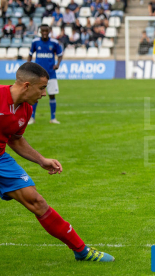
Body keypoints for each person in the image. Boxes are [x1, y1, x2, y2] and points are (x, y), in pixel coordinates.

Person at [0, 62, 115, 262]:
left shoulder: (26, 109)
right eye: (42, 88)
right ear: (27, 86)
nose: (44, 93)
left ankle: (82, 251)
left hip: (1, 159)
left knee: (37, 201)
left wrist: (41, 160)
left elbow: (15, 139)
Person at [28, 25, 62, 125]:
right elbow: (30, 55)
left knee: (52, 95)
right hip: (37, 74)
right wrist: (28, 66)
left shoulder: (54, 43)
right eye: (43, 31)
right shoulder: (35, 42)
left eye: (46, 31)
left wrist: (57, 64)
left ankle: (53, 118)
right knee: (34, 96)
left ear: (49, 31)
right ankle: (32, 118)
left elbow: (60, 55)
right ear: (40, 31)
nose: (44, 33)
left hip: (50, 74)